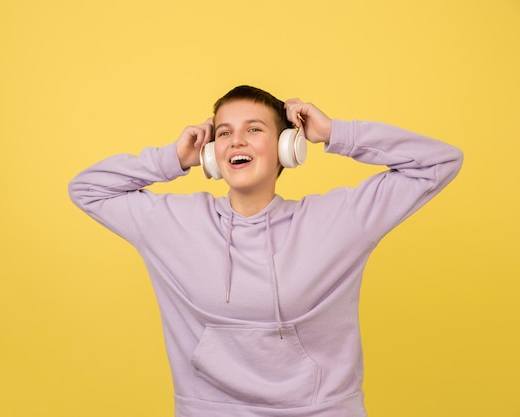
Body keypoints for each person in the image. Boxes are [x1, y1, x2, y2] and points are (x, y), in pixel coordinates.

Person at [68, 85, 463, 417]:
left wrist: (334, 133)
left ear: (287, 146)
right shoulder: (172, 223)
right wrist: (173, 158)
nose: (236, 140)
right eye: (223, 133)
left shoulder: (338, 220)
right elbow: (86, 188)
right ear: (211, 152)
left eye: (253, 129)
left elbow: (439, 162)